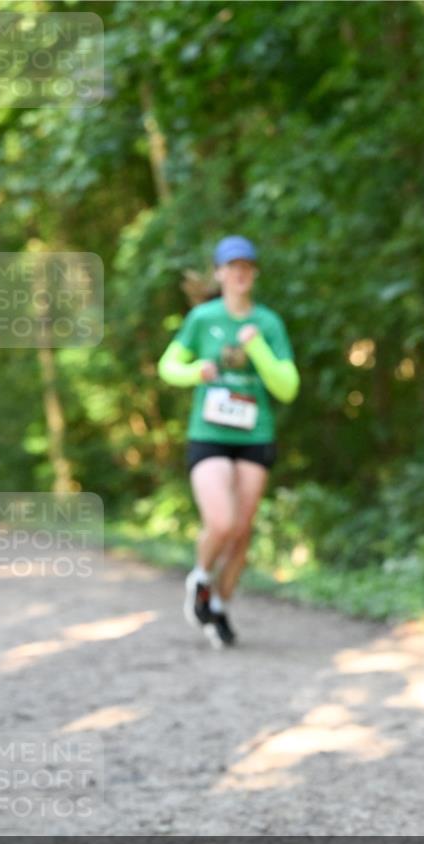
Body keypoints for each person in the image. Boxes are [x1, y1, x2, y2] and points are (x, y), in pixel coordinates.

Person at [158, 235, 300, 647]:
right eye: (231, 266)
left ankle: (218, 605)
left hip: (255, 436)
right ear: (219, 273)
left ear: (253, 274)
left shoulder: (268, 324)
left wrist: (255, 346)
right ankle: (200, 578)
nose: (239, 273)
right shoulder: (203, 319)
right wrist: (194, 371)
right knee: (221, 521)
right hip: (209, 435)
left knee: (241, 531)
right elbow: (168, 366)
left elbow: (287, 387)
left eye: (246, 266)